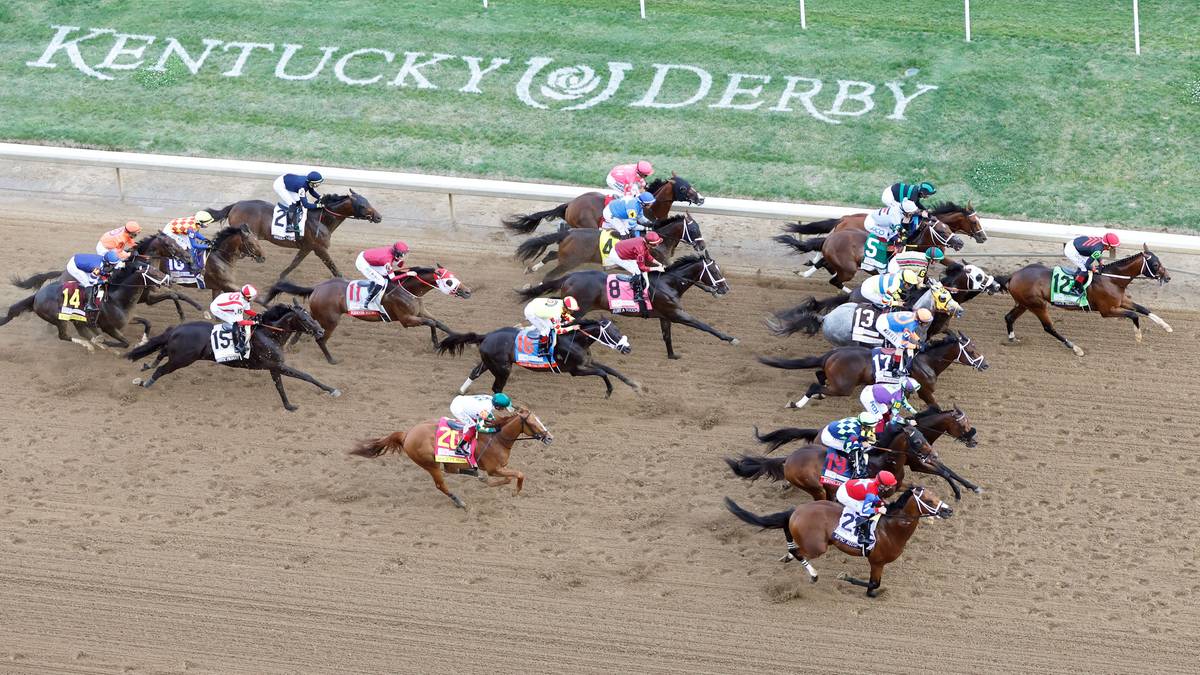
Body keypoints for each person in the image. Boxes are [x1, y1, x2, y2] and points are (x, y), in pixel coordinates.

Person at [836, 470, 899, 553]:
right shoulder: (871, 491)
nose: (890, 487)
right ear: (882, 485)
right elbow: (866, 510)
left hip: (848, 487)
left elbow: (874, 494)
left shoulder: (875, 483)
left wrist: (880, 502)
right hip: (844, 495)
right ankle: (862, 536)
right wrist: (878, 509)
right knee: (864, 512)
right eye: (888, 486)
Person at [448, 392, 515, 466]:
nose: (504, 409)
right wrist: (495, 429)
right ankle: (459, 448)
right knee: (473, 427)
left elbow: (487, 415)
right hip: (458, 409)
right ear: (497, 406)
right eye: (503, 408)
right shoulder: (485, 409)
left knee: (478, 419)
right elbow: (480, 427)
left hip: (460, 400)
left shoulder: (490, 398)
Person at [604, 231, 665, 302]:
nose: (657, 246)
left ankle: (643, 285)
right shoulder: (640, 250)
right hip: (617, 255)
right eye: (654, 245)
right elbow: (642, 268)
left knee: (638, 270)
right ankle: (637, 295)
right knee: (637, 272)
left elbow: (648, 256)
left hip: (621, 249)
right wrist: (657, 268)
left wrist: (659, 263)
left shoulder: (644, 242)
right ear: (648, 243)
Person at [820, 411, 881, 479]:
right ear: (864, 426)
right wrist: (861, 445)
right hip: (828, 438)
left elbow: (860, 433)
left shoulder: (857, 421)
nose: (872, 429)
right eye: (871, 427)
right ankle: (858, 473)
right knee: (854, 450)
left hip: (832, 429)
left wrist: (867, 437)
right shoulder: (854, 433)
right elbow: (847, 445)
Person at [875, 307, 933, 375]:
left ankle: (896, 367)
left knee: (901, 344)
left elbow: (911, 332)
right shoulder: (910, 325)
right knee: (900, 346)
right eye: (925, 322)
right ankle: (895, 369)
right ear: (920, 321)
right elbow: (904, 344)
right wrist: (917, 347)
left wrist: (920, 341)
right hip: (883, 325)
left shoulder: (913, 316)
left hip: (885, 318)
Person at [210, 284, 259, 358]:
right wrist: (254, 322)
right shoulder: (238, 305)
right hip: (217, 308)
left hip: (223, 301)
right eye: (252, 297)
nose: (254, 298)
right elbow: (240, 322)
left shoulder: (244, 298)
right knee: (235, 324)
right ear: (246, 297)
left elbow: (247, 311)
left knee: (237, 319)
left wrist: (257, 314)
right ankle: (238, 346)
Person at [355, 241, 409, 306]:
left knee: (384, 273)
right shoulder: (387, 261)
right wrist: (407, 274)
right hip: (362, 263)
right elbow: (393, 278)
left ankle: (373, 283)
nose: (403, 256)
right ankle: (368, 300)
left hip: (368, 257)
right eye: (402, 254)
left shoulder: (392, 251)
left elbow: (395, 260)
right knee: (381, 281)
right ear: (397, 253)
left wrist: (398, 261)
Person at [273, 170, 324, 236]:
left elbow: (311, 191)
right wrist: (319, 205)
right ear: (312, 183)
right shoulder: (302, 188)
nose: (319, 184)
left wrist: (319, 197)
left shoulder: (308, 182)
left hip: (288, 180)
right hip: (280, 185)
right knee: (293, 203)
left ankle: (294, 219)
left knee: (298, 202)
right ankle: (288, 226)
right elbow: (306, 205)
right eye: (318, 183)